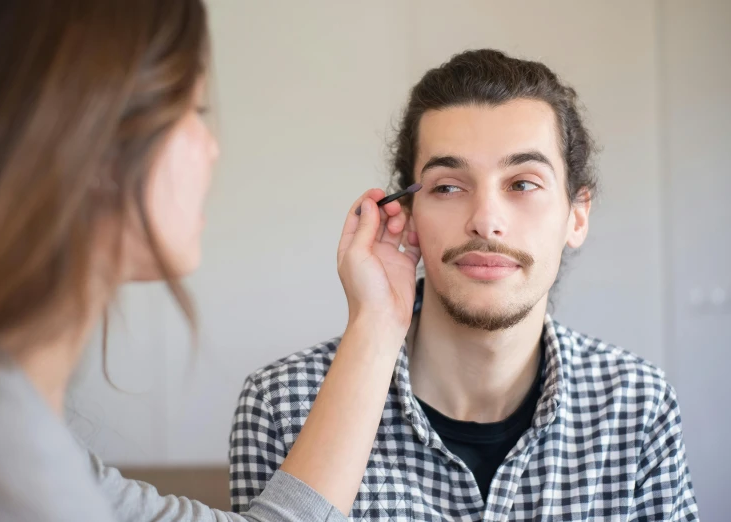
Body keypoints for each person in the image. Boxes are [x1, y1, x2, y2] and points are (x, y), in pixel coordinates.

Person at [0, 1, 422, 521]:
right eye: (194, 112)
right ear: (95, 137)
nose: (212, 147)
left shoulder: (25, 442)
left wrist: (378, 320)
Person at [230, 49, 700, 520]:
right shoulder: (281, 406)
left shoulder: (638, 406)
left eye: (522, 184)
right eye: (448, 187)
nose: (485, 221)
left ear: (577, 215)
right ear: (408, 216)